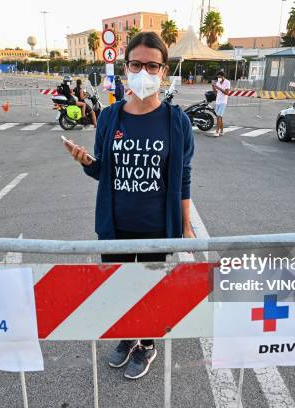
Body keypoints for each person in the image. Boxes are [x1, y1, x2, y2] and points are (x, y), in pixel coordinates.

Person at [63, 32, 195, 380]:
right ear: (126, 68)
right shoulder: (109, 118)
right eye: (136, 64)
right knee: (118, 289)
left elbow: (183, 177)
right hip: (115, 227)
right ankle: (127, 337)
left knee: (149, 291)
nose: (144, 72)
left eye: (152, 65)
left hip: (155, 229)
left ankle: (147, 344)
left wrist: (187, 224)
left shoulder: (176, 121)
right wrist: (86, 162)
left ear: (163, 71)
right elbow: (104, 172)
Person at [212, 71, 231, 136]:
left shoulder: (227, 82)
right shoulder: (217, 82)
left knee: (218, 116)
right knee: (220, 117)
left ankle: (217, 131)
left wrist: (218, 88)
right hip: (218, 101)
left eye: (219, 77)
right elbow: (216, 93)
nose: (218, 78)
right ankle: (222, 131)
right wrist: (213, 87)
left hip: (223, 102)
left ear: (223, 76)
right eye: (217, 77)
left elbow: (227, 93)